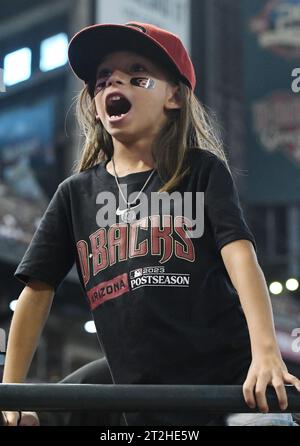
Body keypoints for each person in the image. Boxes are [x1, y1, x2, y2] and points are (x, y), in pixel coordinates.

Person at [2, 21, 300, 426]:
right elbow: (36, 292)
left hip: (222, 381)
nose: (112, 84)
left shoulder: (201, 171)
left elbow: (241, 257)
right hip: (135, 385)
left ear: (174, 96)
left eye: (136, 76)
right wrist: (12, 393)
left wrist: (266, 353)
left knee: (267, 424)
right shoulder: (75, 194)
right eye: (102, 79)